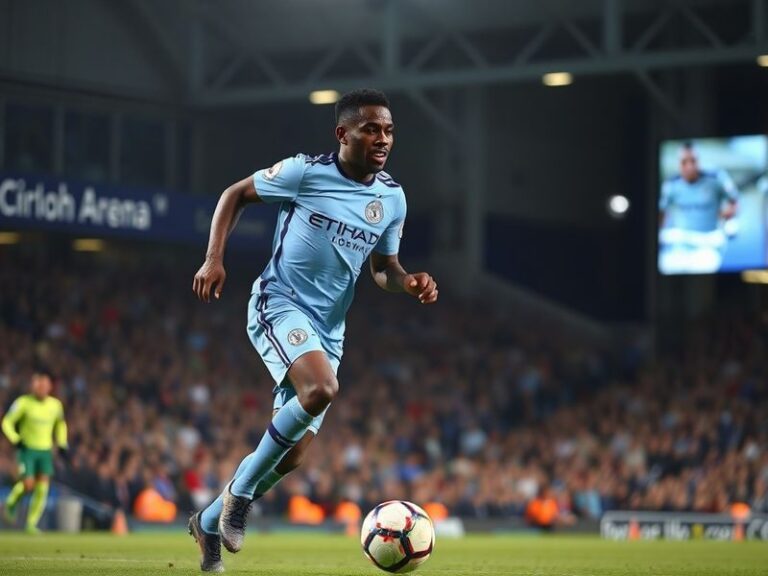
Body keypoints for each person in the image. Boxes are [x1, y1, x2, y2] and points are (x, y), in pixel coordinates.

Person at [188, 88, 438, 572]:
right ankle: (240, 498)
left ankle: (210, 520)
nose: (382, 139)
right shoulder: (304, 172)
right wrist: (213, 258)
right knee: (321, 388)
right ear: (343, 134)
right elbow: (234, 194)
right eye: (371, 129)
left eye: (388, 131)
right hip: (280, 303)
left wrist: (408, 282)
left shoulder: (392, 198)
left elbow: (383, 268)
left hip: (330, 329)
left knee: (292, 457)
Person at [2, 371, 68, 533]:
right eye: (38, 384)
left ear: (50, 386)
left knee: (42, 487)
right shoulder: (23, 403)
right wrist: (15, 439)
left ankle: (31, 523)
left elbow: (60, 424)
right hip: (27, 449)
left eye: (45, 385)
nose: (41, 388)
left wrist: (62, 442)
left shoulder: (55, 405)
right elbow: (7, 422)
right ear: (33, 386)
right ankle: (11, 501)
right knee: (28, 483)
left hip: (45, 451)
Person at [658, 141, 739, 273]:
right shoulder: (671, 184)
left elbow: (734, 200)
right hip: (681, 242)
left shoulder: (716, 178)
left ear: (699, 161)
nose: (689, 166)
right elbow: (661, 212)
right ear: (679, 163)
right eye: (684, 162)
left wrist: (728, 216)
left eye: (693, 161)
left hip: (709, 241)